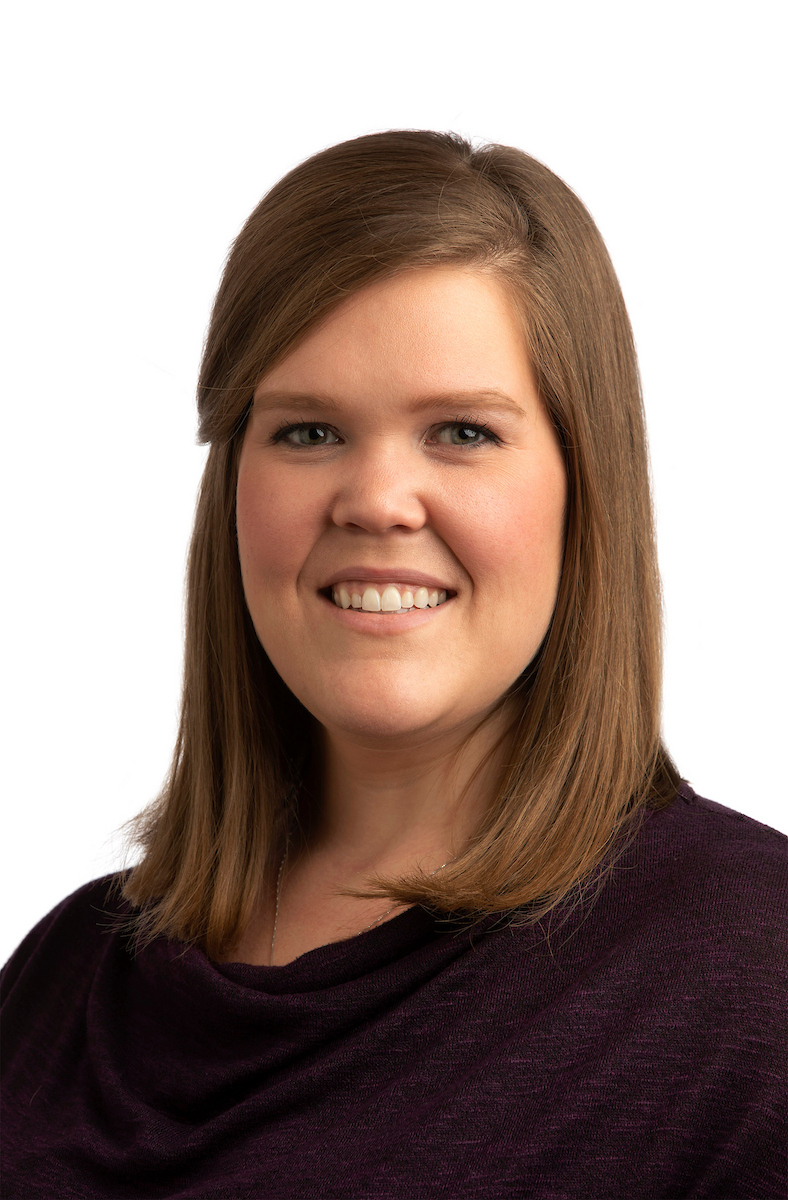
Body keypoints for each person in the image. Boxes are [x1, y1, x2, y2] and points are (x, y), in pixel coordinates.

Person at [1, 130, 785, 1200]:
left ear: (581, 488)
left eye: (459, 432)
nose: (374, 500)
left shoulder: (751, 982)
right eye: (307, 431)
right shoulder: (62, 977)